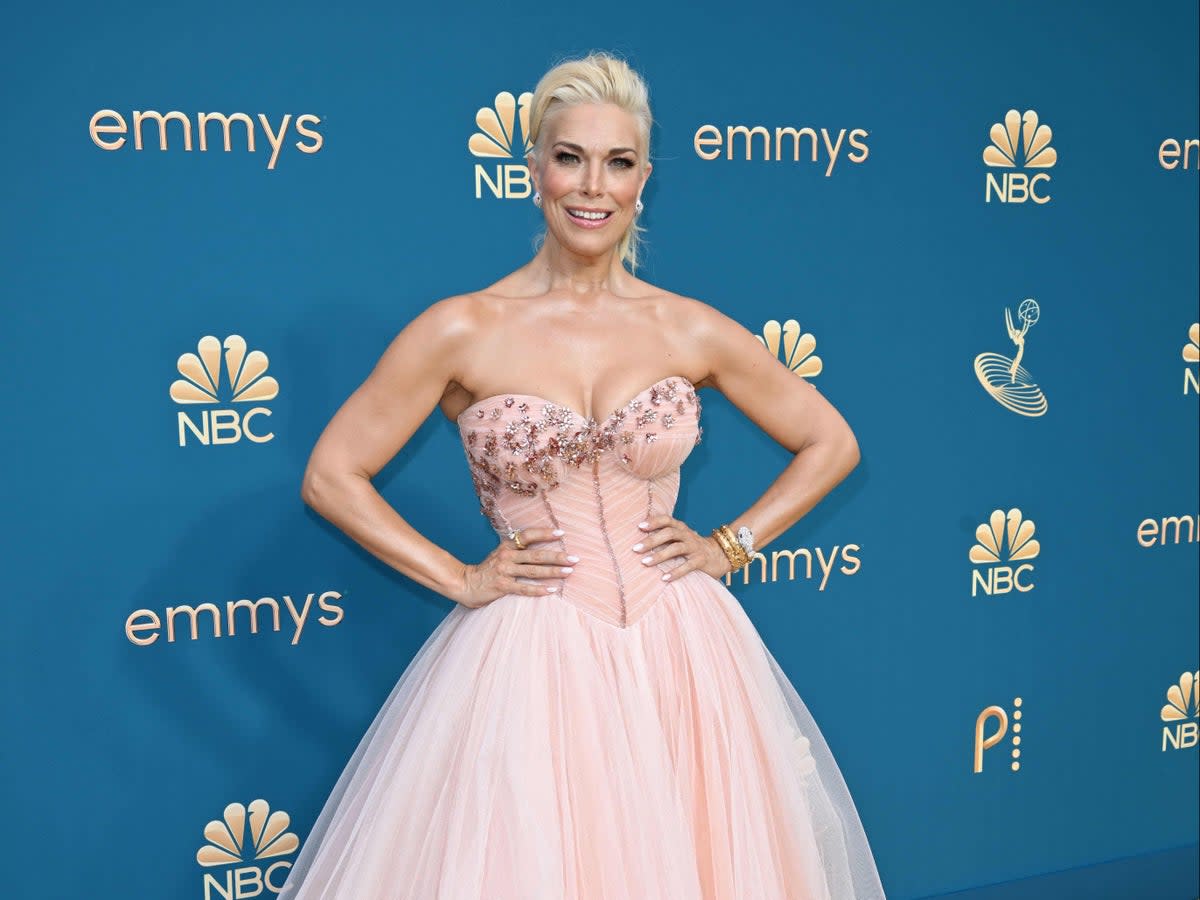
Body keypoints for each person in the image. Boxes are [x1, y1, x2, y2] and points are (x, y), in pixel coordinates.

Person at [278, 51, 886, 899]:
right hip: (535, 660)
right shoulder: (463, 329)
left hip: (685, 649)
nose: (592, 185)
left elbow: (831, 441)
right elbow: (332, 476)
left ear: (643, 179)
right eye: (570, 157)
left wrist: (729, 545)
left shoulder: (688, 326)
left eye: (619, 161)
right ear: (534, 169)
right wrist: (459, 576)